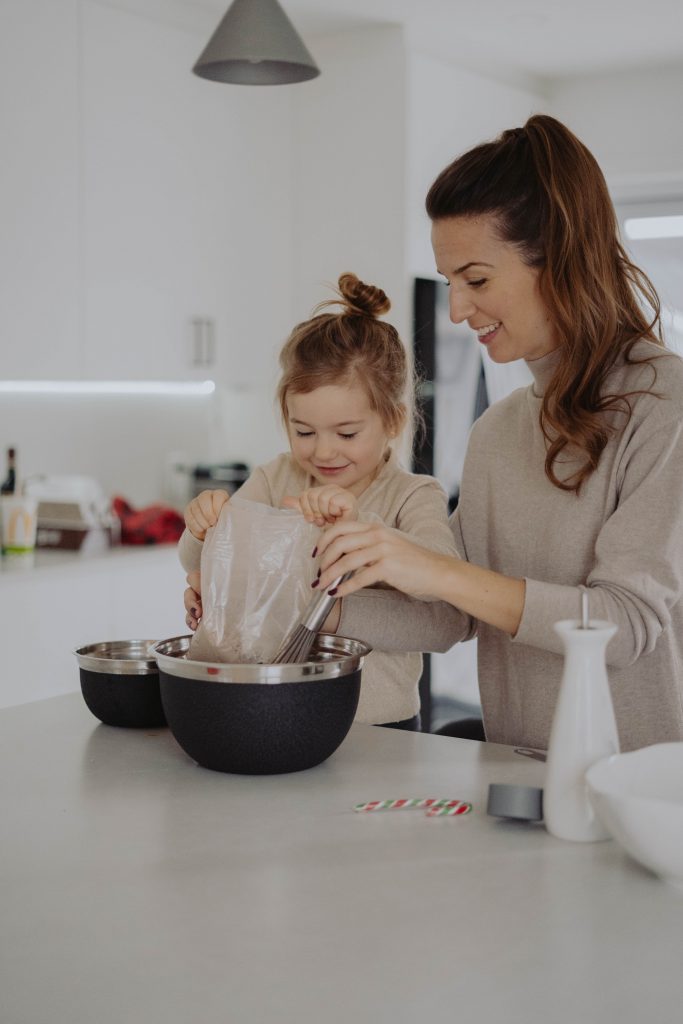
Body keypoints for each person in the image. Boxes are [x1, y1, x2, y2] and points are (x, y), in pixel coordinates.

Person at [312, 114, 683, 753]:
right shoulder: (499, 430)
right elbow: (450, 614)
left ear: (560, 258)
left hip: (641, 797)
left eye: (476, 280)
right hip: (520, 782)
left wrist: (433, 567)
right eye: (452, 283)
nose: (457, 310)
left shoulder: (663, 406)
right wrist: (300, 599)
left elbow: (625, 626)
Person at [179, 272, 457, 730]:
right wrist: (203, 526)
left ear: (393, 421)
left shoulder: (413, 496)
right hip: (275, 711)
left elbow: (439, 606)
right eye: (303, 431)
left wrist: (360, 527)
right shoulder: (277, 476)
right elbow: (198, 562)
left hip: (379, 729)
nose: (322, 452)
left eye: (346, 433)